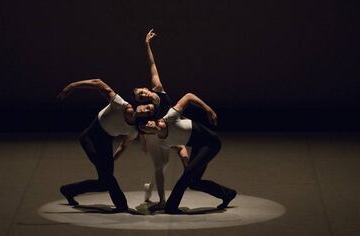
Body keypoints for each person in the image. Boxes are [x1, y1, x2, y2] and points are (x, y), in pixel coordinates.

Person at [138, 93, 237, 214]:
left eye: (147, 122)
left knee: (187, 175)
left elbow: (189, 96)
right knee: (193, 182)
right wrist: (187, 164)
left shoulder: (170, 117)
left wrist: (209, 110)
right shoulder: (162, 142)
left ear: (152, 120)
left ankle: (171, 207)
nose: (147, 125)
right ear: (147, 133)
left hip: (212, 143)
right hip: (199, 146)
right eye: (144, 127)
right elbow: (181, 148)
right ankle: (228, 194)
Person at [57, 78, 138, 213]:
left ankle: (68, 190)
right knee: (108, 177)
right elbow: (98, 83)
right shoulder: (119, 104)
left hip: (105, 143)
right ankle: (122, 205)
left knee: (104, 183)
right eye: (132, 106)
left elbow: (123, 146)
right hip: (89, 139)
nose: (131, 108)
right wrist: (72, 85)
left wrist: (112, 159)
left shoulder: (133, 130)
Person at [133, 29, 188, 208]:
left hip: (166, 131)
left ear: (145, 88)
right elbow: (139, 124)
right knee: (159, 166)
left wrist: (147, 44)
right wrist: (142, 141)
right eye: (140, 97)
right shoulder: (146, 108)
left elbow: (152, 64)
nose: (143, 95)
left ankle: (149, 188)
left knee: (164, 164)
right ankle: (162, 201)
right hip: (153, 135)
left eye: (142, 92)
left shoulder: (158, 87)